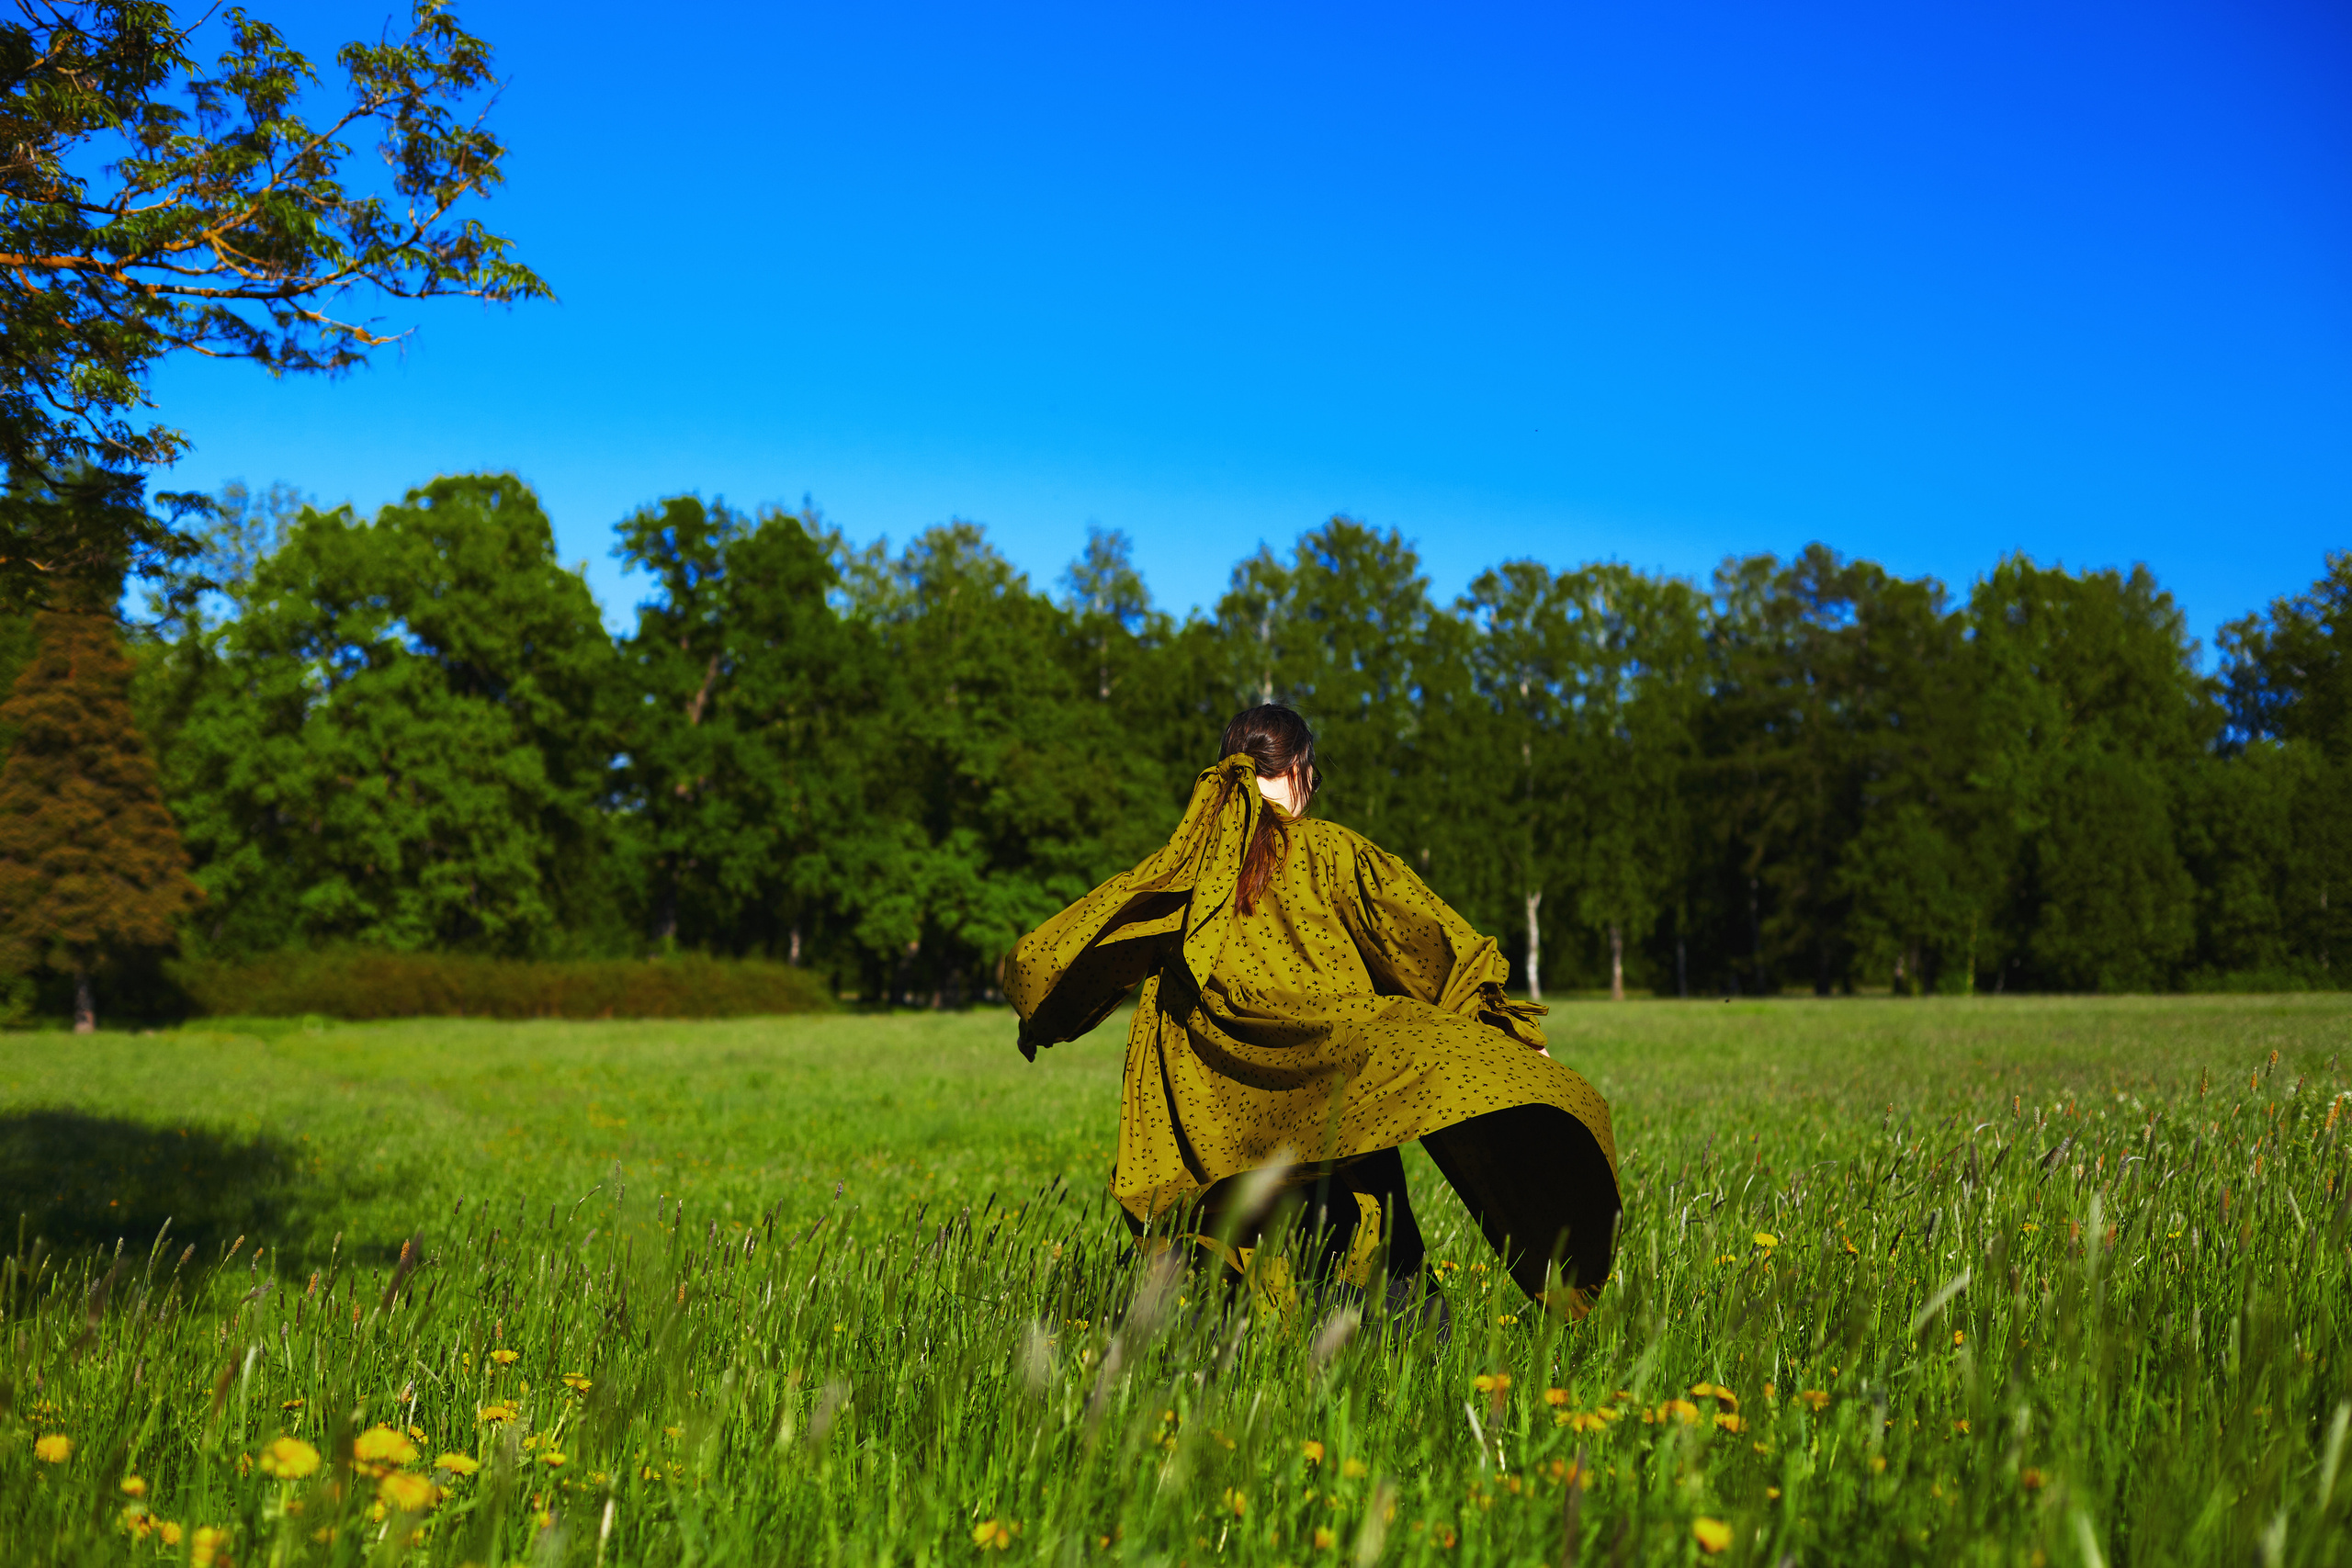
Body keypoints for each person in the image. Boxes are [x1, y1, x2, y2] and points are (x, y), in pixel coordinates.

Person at [1003, 703, 1621, 1326]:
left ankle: (1202, 1350)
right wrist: (1509, 1035)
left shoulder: (1185, 868)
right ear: (1298, 769)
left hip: (1221, 1118)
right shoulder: (1330, 851)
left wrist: (1044, 1019)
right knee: (1375, 1266)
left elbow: (1072, 948)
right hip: (1333, 1095)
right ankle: (1378, 1347)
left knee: (1213, 1282)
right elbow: (1429, 944)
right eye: (1313, 778)